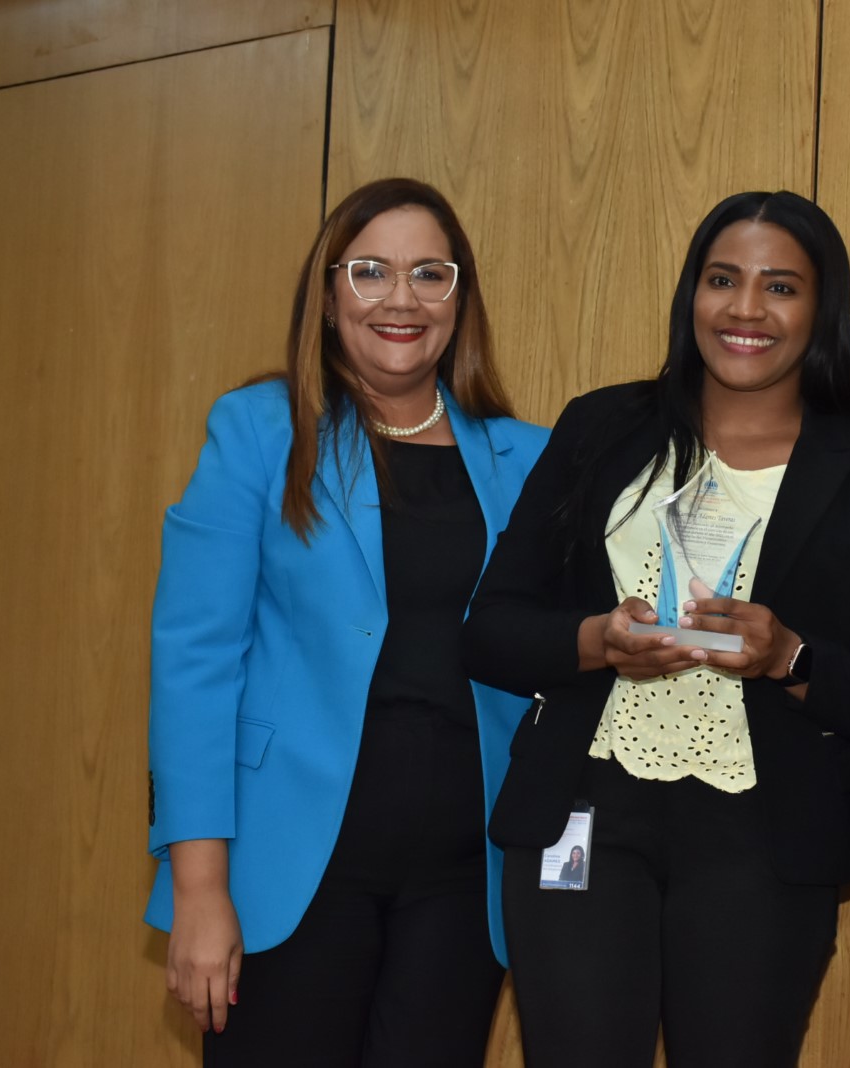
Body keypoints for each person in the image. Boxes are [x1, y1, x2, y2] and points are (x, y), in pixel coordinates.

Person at [463, 190, 850, 1067]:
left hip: (764, 841)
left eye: (781, 287)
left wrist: (790, 657)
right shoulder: (602, 427)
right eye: (722, 280)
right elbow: (491, 630)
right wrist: (598, 641)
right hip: (581, 816)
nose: (746, 310)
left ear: (821, 311)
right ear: (690, 295)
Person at [145, 177, 548, 1066]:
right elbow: (194, 662)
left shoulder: (529, 457)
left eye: (429, 275)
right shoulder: (260, 431)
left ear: (459, 298)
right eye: (369, 271)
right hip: (288, 872)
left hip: (461, 883)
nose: (400, 299)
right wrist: (200, 887)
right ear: (327, 297)